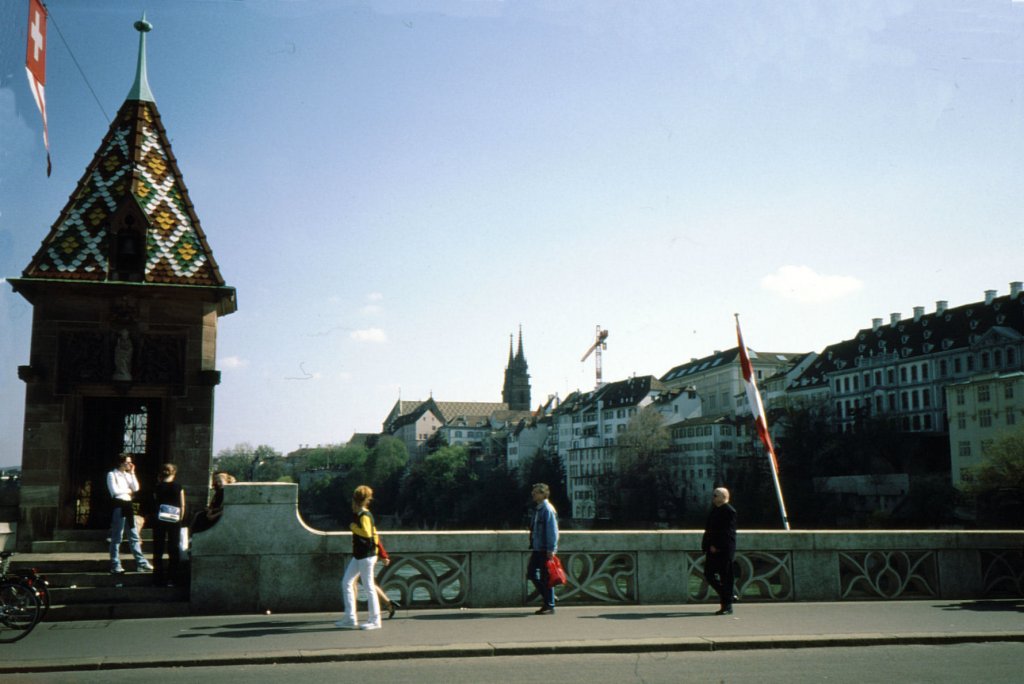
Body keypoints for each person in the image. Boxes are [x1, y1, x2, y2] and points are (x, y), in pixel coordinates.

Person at [336, 485, 382, 630]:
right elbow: (374, 534)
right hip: (361, 555)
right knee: (347, 582)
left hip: (365, 556)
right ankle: (350, 618)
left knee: (368, 587)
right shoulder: (365, 514)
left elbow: (367, 534)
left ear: (355, 502)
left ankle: (375, 620)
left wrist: (353, 528)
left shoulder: (363, 516)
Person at [107, 453, 152, 574]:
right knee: (117, 537)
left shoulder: (127, 475)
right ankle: (115, 564)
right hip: (119, 505)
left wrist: (132, 473)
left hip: (128, 505)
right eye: (127, 462)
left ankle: (141, 563)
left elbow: (136, 488)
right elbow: (115, 491)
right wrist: (127, 490)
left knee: (134, 536)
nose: (130, 464)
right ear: (120, 462)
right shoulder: (112, 474)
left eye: (130, 462)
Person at [702, 486, 737, 615]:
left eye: (715, 495)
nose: (713, 497)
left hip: (723, 550)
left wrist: (717, 546)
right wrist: (708, 545)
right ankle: (729, 595)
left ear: (723, 497)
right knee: (708, 574)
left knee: (726, 577)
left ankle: (727, 606)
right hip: (713, 549)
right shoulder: (716, 510)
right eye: (713, 495)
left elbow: (727, 533)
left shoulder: (729, 511)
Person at [526, 482, 559, 615]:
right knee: (532, 574)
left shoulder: (547, 509)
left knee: (546, 577)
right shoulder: (539, 509)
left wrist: (551, 549)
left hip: (544, 549)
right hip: (537, 548)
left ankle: (549, 604)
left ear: (543, 494)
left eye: (536, 492)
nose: (533, 494)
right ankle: (549, 597)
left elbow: (552, 531)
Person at [152, 463, 185, 586]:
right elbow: (182, 505)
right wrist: (180, 519)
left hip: (160, 519)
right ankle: (172, 577)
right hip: (174, 519)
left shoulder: (158, 486)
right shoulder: (178, 487)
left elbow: (154, 502)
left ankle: (158, 578)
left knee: (158, 548)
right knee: (173, 548)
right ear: (174, 473)